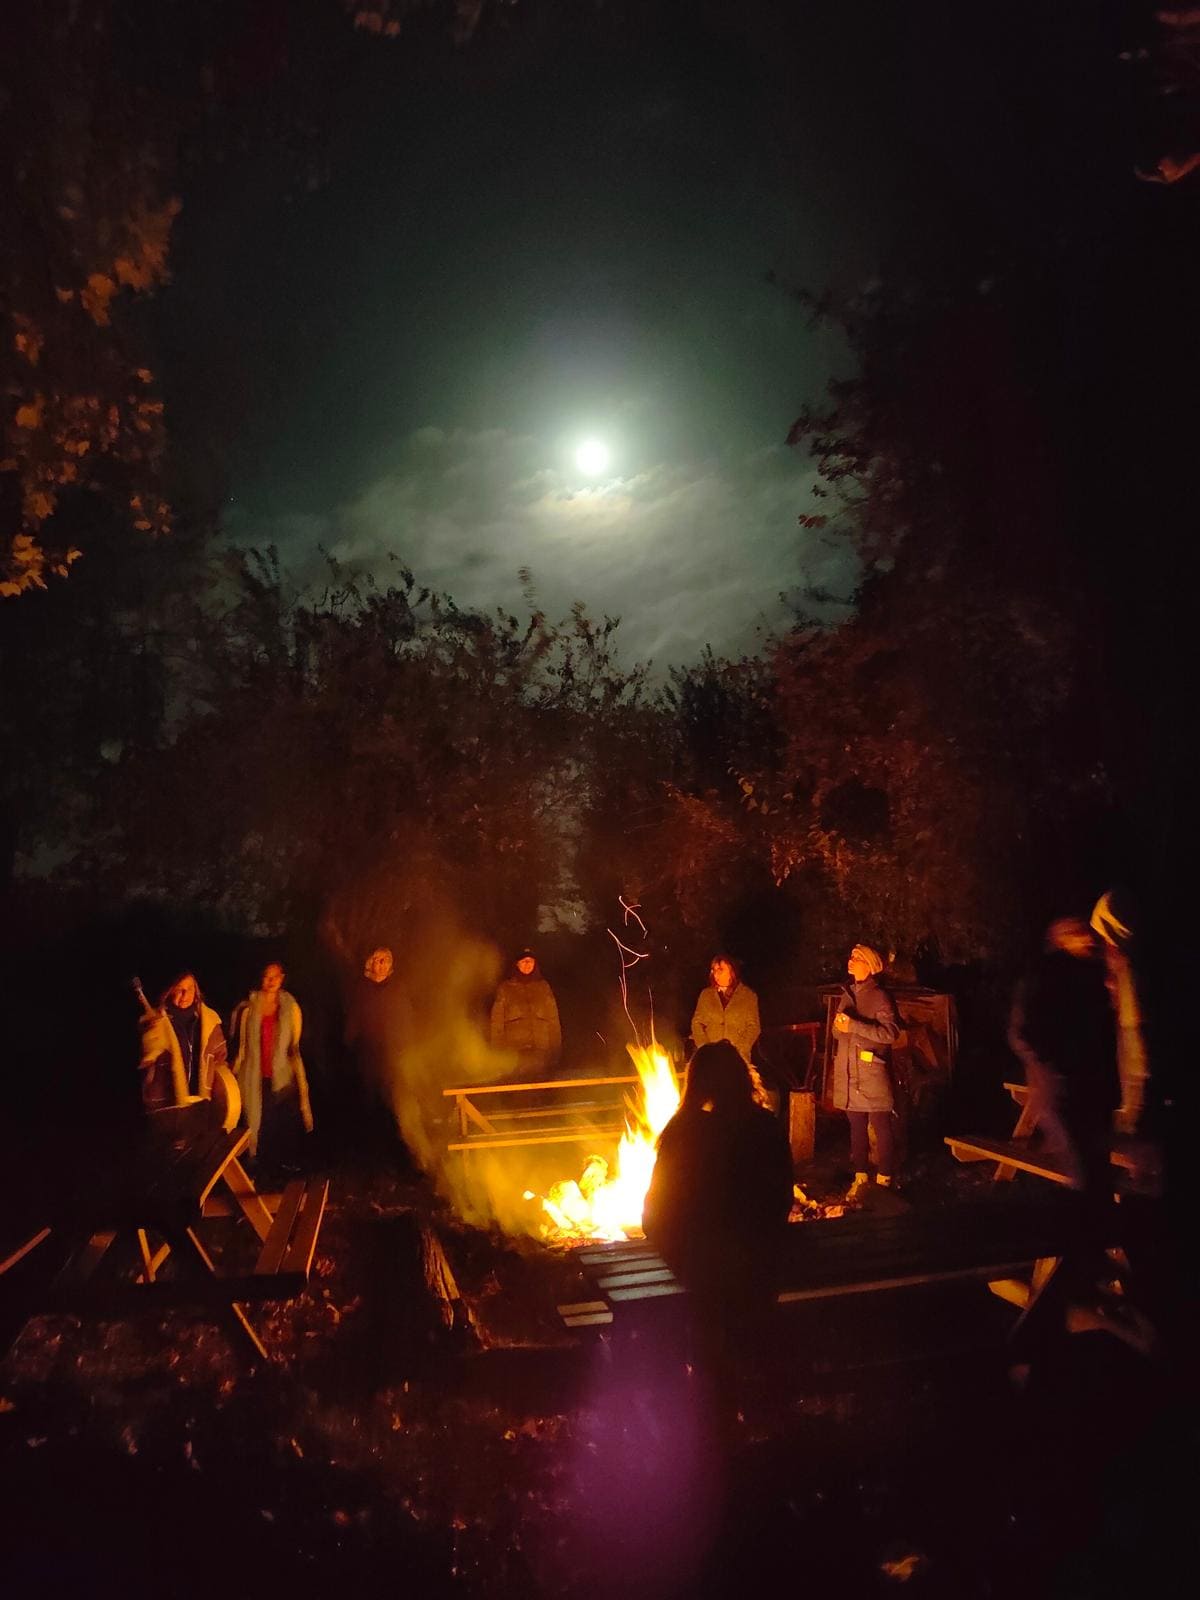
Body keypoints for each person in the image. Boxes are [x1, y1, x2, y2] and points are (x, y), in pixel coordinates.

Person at [643, 1041, 794, 1367]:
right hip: (758, 1267)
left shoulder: (682, 1132)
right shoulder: (765, 1127)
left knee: (710, 1345)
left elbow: (655, 1213)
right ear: (742, 1078)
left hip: (701, 1270)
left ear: (695, 1082)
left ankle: (713, 1395)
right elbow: (782, 1197)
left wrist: (676, 1251)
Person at [830, 944, 901, 1201]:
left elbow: (890, 1033)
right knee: (856, 1125)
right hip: (849, 1072)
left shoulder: (880, 996)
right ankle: (860, 1178)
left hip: (871, 1071)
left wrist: (854, 1025)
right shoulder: (847, 994)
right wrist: (840, 1026)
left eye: (857, 958)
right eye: (850, 956)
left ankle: (884, 1180)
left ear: (869, 965)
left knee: (880, 1125)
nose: (851, 961)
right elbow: (838, 1033)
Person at [230, 962, 314, 1164]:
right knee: (255, 1123)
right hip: (254, 1075)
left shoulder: (291, 1008)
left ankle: (280, 1170)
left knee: (279, 1126)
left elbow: (294, 1047)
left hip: (282, 1076)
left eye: (275, 976)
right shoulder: (248, 1009)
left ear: (282, 978)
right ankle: (254, 1166)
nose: (271, 981)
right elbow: (241, 1047)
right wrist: (230, 1076)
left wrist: (302, 1088)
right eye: (267, 976)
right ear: (261, 978)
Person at [138, 972, 228, 1112]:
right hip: (166, 1105)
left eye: (190, 988)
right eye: (180, 989)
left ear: (196, 990)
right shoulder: (155, 1023)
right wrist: (151, 1036)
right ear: (170, 991)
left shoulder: (210, 1022)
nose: (185, 994)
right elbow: (146, 1059)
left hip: (202, 1102)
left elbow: (220, 1059)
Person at [344, 945, 412, 1100]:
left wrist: (403, 1047)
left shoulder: (397, 989)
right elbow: (353, 1022)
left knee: (393, 1097)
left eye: (387, 960)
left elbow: (406, 1020)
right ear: (370, 963)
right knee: (368, 1098)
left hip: (392, 1057)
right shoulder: (360, 990)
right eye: (378, 960)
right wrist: (350, 1047)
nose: (383, 964)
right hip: (367, 1057)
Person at [490, 947, 562, 1078]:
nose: (527, 964)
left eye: (531, 961)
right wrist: (497, 1050)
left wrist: (556, 1046)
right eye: (524, 961)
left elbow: (553, 1018)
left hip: (541, 1048)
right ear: (517, 964)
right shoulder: (506, 989)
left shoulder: (543, 987)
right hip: (515, 1051)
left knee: (541, 1086)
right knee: (517, 1087)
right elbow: (497, 1021)